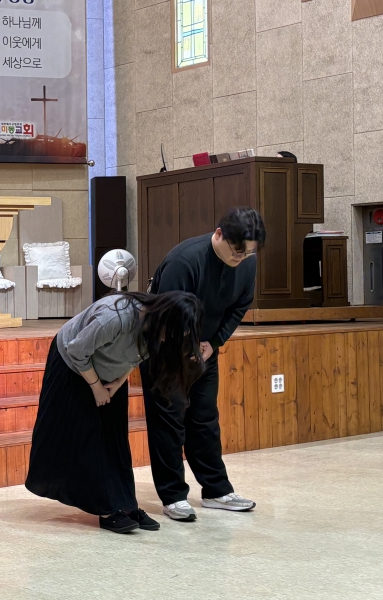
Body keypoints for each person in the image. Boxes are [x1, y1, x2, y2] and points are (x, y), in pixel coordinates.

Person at [26, 291, 205, 534]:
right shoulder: (114, 317)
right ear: (163, 317)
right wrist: (96, 387)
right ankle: (107, 510)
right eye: (172, 332)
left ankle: (127, 505)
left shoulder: (156, 326)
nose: (169, 339)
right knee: (91, 439)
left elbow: (137, 356)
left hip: (107, 372)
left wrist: (119, 382)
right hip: (72, 365)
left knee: (116, 440)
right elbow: (76, 350)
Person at [141, 206, 266, 522]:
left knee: (205, 420)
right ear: (219, 234)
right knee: (169, 421)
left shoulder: (247, 262)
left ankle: (216, 490)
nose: (240, 258)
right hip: (166, 350)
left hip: (206, 349)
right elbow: (165, 314)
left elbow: (240, 305)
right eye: (236, 251)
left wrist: (216, 342)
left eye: (247, 253)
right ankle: (173, 496)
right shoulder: (184, 261)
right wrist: (189, 347)